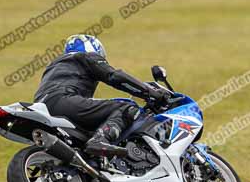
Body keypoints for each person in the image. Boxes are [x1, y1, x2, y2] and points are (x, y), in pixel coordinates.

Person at [33, 34, 172, 156]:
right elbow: (114, 76)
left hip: (42, 106)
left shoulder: (53, 66)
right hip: (64, 101)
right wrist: (150, 93)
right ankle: (100, 140)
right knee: (127, 107)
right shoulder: (86, 56)